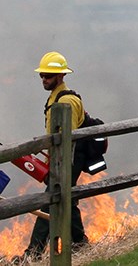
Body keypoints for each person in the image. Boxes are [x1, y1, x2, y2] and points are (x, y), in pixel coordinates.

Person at [23, 51, 89, 259]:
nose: (44, 79)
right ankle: (80, 244)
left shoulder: (66, 101)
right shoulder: (55, 97)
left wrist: (55, 158)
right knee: (65, 200)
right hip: (61, 158)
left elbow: (65, 139)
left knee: (50, 202)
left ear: (61, 76)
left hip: (68, 159)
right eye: (42, 75)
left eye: (48, 76)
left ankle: (32, 255)